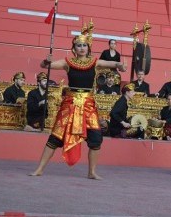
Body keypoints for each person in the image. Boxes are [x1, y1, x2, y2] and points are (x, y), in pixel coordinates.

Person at [29, 20, 127, 180]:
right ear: (74, 49)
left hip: (88, 106)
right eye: (78, 46)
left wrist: (120, 66)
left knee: (96, 138)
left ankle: (92, 172)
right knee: (55, 136)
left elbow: (112, 63)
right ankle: (39, 168)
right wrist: (46, 61)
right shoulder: (68, 63)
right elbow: (45, 65)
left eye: (84, 45)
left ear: (88, 48)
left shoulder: (95, 63)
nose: (82, 48)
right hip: (70, 104)